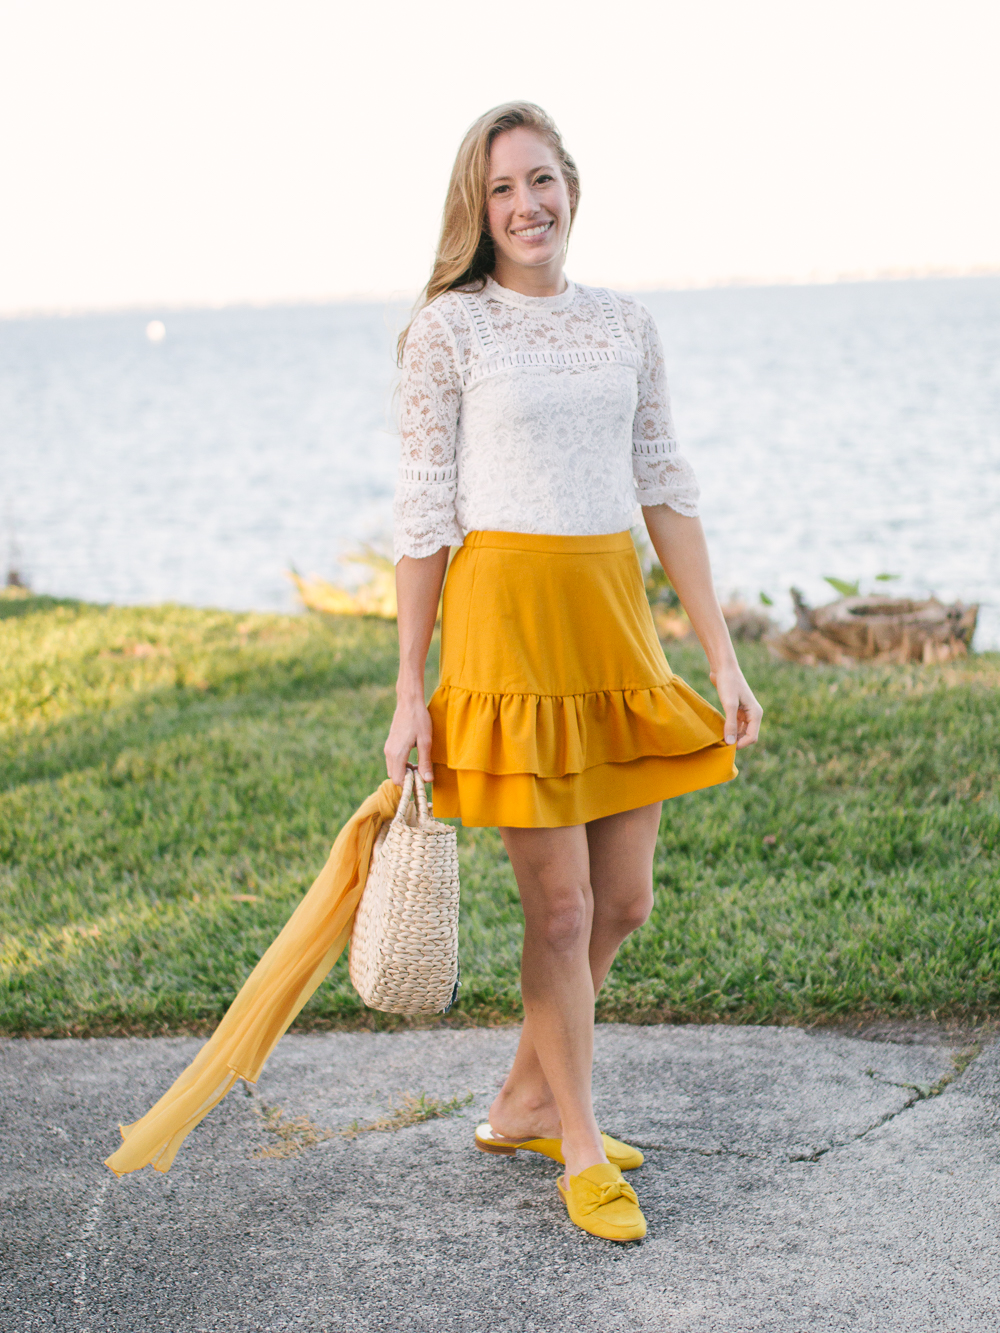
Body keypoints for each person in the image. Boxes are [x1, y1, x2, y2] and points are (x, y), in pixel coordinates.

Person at [384, 102, 763, 1243]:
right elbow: (422, 513)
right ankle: (579, 1146)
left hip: (611, 624)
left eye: (540, 180)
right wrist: (411, 685)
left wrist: (722, 654)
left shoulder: (626, 324)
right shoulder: (447, 332)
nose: (525, 205)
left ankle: (518, 1100)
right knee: (557, 909)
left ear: (570, 187)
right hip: (506, 629)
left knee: (624, 901)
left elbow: (663, 481)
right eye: (502, 189)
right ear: (476, 208)